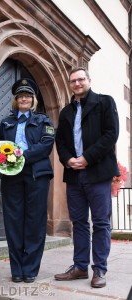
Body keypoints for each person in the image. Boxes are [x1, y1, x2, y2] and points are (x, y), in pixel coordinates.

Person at [55, 67, 119, 288]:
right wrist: (68, 160)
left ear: (89, 80)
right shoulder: (65, 112)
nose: (77, 83)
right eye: (73, 81)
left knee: (101, 223)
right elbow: (60, 142)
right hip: (74, 175)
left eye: (81, 79)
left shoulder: (105, 102)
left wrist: (87, 158)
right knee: (79, 223)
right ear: (70, 84)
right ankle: (80, 266)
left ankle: (99, 268)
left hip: (98, 173)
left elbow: (112, 134)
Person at [0, 78, 55, 283]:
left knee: (35, 222)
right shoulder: (6, 122)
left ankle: (30, 269)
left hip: (36, 175)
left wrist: (22, 156)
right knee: (13, 222)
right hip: (12, 175)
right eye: (21, 95)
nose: (24, 98)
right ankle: (16, 269)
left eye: (28, 95)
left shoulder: (43, 121)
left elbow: (46, 144)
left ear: (33, 100)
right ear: (15, 100)